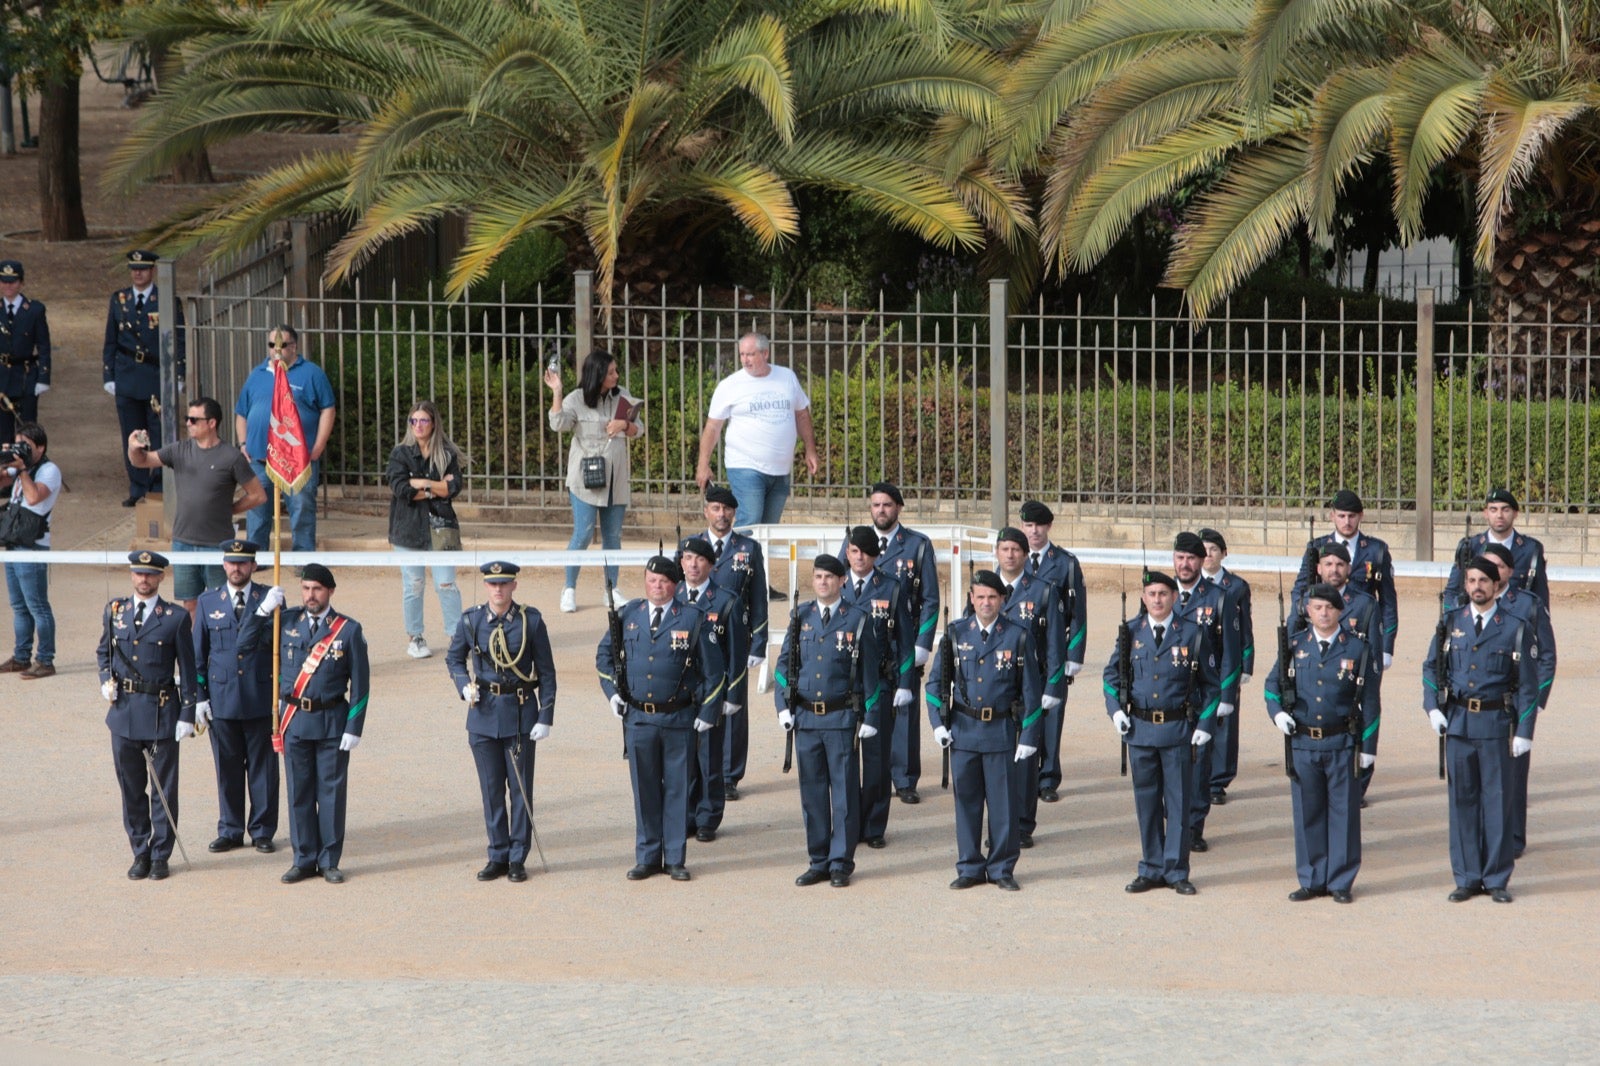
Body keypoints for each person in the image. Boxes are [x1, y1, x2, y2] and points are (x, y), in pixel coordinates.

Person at [596, 555, 725, 882]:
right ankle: (647, 856)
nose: (657, 586)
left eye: (664, 581)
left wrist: (708, 712)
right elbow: (604, 657)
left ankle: (675, 859)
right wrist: (613, 694)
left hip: (679, 718)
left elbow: (715, 673)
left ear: (676, 585)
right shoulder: (628, 615)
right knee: (645, 789)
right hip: (638, 718)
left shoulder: (694, 620)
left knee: (678, 790)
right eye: (652, 580)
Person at [241, 564, 369, 884]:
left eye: (317, 589)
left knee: (330, 794)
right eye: (306, 588)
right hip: (295, 721)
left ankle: (329, 860)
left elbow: (361, 685)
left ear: (330, 592)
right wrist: (261, 611)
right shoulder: (285, 621)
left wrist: (354, 727)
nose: (310, 595)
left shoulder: (347, 630)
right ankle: (303, 858)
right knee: (298, 792)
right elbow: (244, 645)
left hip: (331, 722)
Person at [1423, 556, 1539, 903]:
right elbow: (1431, 667)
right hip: (1458, 725)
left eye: (1483, 581)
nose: (1476, 587)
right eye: (1471, 580)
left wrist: (1524, 730)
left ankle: (1496, 878)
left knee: (1497, 802)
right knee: (1462, 803)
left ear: (1496, 585)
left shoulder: (1515, 626)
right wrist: (1432, 707)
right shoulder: (1449, 623)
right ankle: (1467, 877)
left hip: (1496, 725)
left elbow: (1528, 686)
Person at [1104, 569, 1221, 896]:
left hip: (1178, 731)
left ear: (1174, 598)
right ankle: (1151, 867)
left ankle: (1176, 870)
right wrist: (1115, 713)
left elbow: (1212, 686)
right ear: (1144, 598)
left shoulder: (1193, 634)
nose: (1157, 599)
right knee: (1147, 803)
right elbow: (1111, 677)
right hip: (1139, 731)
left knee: (1179, 803)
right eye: (1152, 594)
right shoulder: (1130, 633)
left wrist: (1205, 725)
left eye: (1163, 594)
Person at [926, 570, 1044, 891]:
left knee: (1003, 804)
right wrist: (938, 723)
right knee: (966, 802)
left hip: (1001, 731)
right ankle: (969, 866)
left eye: (992, 597)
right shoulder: (955, 634)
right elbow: (935, 683)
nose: (986, 602)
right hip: (963, 730)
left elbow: (1032, 691)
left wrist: (1030, 737)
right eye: (980, 596)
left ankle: (1002, 867)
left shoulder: (1018, 636)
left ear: (1002, 600)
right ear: (971, 598)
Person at [1265, 583, 1379, 904]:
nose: (1324, 613)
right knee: (1307, 812)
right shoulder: (1294, 644)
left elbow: (1371, 702)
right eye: (1317, 607)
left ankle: (1340, 881)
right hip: (1302, 742)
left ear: (1340, 611)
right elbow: (1272, 684)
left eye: (1329, 608)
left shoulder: (1357, 648)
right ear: (1308, 611)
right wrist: (1277, 714)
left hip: (1341, 741)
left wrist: (1368, 749)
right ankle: (1312, 878)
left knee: (1343, 812)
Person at [774, 553, 883, 888]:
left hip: (841, 719)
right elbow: (783, 667)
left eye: (829, 577)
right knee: (813, 794)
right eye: (818, 576)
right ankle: (818, 860)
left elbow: (871, 675)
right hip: (806, 719)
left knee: (845, 796)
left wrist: (870, 714)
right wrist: (783, 707)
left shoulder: (858, 620)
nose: (823, 582)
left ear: (842, 582)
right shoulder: (800, 617)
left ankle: (840, 862)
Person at [446, 562, 557, 883]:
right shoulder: (471, 620)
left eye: (504, 584)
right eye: (493, 584)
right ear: (486, 586)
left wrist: (545, 715)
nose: (498, 589)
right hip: (482, 715)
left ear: (514, 586)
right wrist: (462, 684)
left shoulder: (530, 622)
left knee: (520, 791)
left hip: (519, 712)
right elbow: (454, 657)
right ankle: (497, 853)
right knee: (491, 790)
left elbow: (546, 673)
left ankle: (517, 857)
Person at [96, 551, 200, 881]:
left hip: (160, 712)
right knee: (131, 788)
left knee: (163, 790)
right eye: (139, 574)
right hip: (124, 712)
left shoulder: (175, 617)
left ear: (161, 578)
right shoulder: (115, 612)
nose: (144, 580)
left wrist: (188, 711)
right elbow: (104, 652)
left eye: (151, 575)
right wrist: (104, 681)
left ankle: (160, 855)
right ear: (131, 576)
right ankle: (140, 850)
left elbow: (189, 666)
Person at [127, 396, 266, 621]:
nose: (189, 423)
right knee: (189, 605)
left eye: (194, 419)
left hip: (217, 545)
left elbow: (258, 495)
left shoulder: (231, 457)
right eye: (187, 419)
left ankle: (217, 655)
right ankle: (194, 656)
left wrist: (229, 509)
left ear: (212, 423)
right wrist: (133, 447)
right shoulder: (180, 450)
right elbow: (141, 461)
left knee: (220, 606)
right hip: (183, 542)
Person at [843, 481, 939, 805]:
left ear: (898, 507)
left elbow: (930, 599)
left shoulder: (917, 545)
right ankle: (873, 777)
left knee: (905, 710)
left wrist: (923, 642)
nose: (880, 510)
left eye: (886, 505)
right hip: (862, 642)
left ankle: (905, 778)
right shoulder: (855, 542)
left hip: (903, 641)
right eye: (875, 505)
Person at [192, 539, 279, 855]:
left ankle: (262, 830)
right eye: (231, 562)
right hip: (223, 698)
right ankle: (230, 829)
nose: (237, 568)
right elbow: (197, 655)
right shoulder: (207, 601)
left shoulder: (268, 598)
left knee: (263, 769)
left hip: (259, 696)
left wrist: (280, 694)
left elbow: (279, 650)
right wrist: (199, 696)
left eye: (243, 562)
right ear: (223, 565)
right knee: (226, 768)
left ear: (253, 565)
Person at [545, 349, 643, 613]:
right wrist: (556, 391)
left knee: (613, 535)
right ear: (598, 373)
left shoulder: (621, 394)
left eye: (615, 371)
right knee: (584, 533)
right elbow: (558, 424)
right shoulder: (577, 398)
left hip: (615, 477)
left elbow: (639, 429)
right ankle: (569, 588)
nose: (616, 375)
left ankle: (611, 589)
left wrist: (623, 425)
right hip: (583, 478)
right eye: (611, 372)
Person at [695, 332, 819, 532]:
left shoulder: (787, 377)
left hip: (781, 469)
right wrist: (703, 464)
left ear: (766, 353)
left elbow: (802, 415)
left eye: (750, 354)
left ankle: (758, 564)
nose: (745, 360)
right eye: (742, 354)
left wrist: (810, 450)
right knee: (750, 520)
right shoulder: (730, 385)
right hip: (745, 465)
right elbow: (712, 427)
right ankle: (738, 563)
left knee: (769, 528)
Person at [1478, 542, 1556, 859]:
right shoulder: (1470, 603)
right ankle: (1481, 838)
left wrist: (1534, 703)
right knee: (1478, 775)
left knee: (1512, 776)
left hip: (1514, 704)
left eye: (1498, 565)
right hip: (1480, 704)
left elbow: (1547, 657)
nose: (1491, 571)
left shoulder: (1527, 604)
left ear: (1510, 570)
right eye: (1486, 565)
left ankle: (1512, 839)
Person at [991, 527, 1065, 850]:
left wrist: (1053, 686)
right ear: (997, 552)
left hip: (1030, 688)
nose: (1010, 554)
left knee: (1025, 760)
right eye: (1004, 549)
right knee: (994, 759)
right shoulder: (984, 589)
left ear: (1025, 555)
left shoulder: (1043, 591)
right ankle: (997, 825)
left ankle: (1022, 824)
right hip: (994, 687)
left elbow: (1054, 645)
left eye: (1015, 549)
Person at [839, 525, 913, 849]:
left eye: (866, 552)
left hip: (880, 684)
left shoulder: (892, 588)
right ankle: (848, 824)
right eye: (854, 551)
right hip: (841, 687)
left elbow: (906, 641)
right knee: (843, 761)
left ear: (876, 555)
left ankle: (874, 826)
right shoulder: (835, 584)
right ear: (847, 553)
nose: (860, 558)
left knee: (876, 761)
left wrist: (906, 682)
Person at [234, 325, 336, 551]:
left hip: (297, 459)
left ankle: (301, 560)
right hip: (259, 458)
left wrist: (318, 446)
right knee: (257, 512)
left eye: (282, 345)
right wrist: (242, 443)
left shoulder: (311, 373)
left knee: (301, 510)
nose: (276, 350)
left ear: (294, 346)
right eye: (272, 345)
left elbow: (328, 409)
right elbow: (241, 412)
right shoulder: (257, 374)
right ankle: (256, 558)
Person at [699, 484, 769, 799]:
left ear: (734, 514)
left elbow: (759, 597)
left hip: (735, 638)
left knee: (733, 706)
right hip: (698, 638)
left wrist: (759, 642)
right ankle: (698, 769)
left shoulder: (748, 548)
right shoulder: (691, 546)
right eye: (716, 508)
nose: (722, 514)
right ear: (706, 512)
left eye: (727, 509)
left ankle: (729, 775)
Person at [1170, 531, 1238, 853]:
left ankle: (1194, 827)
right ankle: (1171, 825)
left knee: (1198, 769)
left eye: (1191, 558)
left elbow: (1231, 652)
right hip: (1167, 695)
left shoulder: (1219, 598)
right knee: (1167, 766)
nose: (1185, 564)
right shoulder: (1159, 593)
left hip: (1202, 697)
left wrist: (1225, 698)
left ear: (1201, 561)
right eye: (1180, 558)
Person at [675, 536, 744, 842]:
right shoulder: (671, 593)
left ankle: (708, 816)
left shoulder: (725, 600)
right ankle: (686, 815)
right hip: (678, 693)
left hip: (711, 691)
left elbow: (738, 652)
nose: (693, 564)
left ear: (711, 565)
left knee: (709, 758)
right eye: (688, 558)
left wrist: (733, 695)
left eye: (699, 559)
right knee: (683, 759)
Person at [103, 250, 184, 508]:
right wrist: (109, 374)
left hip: (155, 375)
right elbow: (111, 339)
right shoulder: (119, 300)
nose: (138, 273)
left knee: (158, 432)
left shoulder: (166, 299)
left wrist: (178, 374)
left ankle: (158, 483)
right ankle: (137, 486)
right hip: (127, 374)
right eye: (134, 268)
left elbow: (178, 340)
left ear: (152, 271)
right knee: (131, 433)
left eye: (143, 268)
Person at [1018, 500, 1086, 803]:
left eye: (1039, 526)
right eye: (1028, 525)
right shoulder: (1013, 558)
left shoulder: (1065, 563)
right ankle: (1025, 773)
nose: (1033, 531)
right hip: (1020, 654)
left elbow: (1078, 614)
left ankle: (1047, 778)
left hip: (1052, 654)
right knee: (1023, 714)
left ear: (1049, 527)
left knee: (1051, 717)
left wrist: (1074, 655)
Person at [385, 399, 463, 659]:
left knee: (447, 584)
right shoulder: (400, 454)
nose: (418, 425)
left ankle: (456, 636)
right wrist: (435, 487)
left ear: (433, 423)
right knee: (414, 584)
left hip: (442, 529)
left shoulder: (447, 454)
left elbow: (454, 488)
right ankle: (415, 636)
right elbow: (401, 490)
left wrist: (421, 483)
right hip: (407, 530)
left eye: (423, 420)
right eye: (414, 421)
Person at [1291, 490, 1398, 667]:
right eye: (1341, 516)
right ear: (1332, 516)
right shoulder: (1317, 548)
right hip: (1322, 631)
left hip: (1360, 633)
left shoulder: (1376, 551)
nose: (1346, 522)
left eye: (1351, 516)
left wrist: (1386, 647)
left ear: (1360, 516)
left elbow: (1388, 602)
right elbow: (1300, 591)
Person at [1197, 527, 1253, 806]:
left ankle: (1218, 781)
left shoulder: (1237, 587)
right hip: (1195, 664)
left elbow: (1245, 629)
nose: (1208, 556)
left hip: (1225, 662)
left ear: (1223, 553)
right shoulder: (1187, 585)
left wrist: (1246, 664)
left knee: (1225, 723)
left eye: (1213, 550)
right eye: (1203, 550)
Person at [1, 421, 60, 679]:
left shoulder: (49, 470)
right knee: (19, 605)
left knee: (37, 605)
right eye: (18, 444)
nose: (21, 449)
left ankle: (45, 660)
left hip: (33, 545)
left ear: (41, 446)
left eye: (26, 445)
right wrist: (5, 462)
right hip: (13, 543)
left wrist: (23, 469)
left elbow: (35, 497)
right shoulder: (19, 469)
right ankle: (21, 656)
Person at [1443, 488, 1550, 606]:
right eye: (1493, 510)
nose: (1499, 515)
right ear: (1486, 513)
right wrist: (1453, 621)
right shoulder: (1471, 548)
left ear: (1515, 513)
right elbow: (1451, 593)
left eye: (1505, 510)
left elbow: (1541, 599)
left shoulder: (1530, 550)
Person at [0, 259, 51, 443]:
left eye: (12, 281)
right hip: (2, 379)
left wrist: (43, 377)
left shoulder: (34, 310)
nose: (8, 286)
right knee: (3, 433)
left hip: (25, 376)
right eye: (4, 281)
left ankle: (27, 469)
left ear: (21, 283)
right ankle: (4, 470)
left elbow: (44, 345)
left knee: (27, 431)